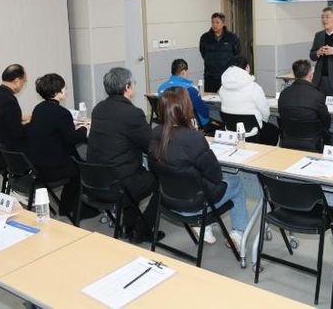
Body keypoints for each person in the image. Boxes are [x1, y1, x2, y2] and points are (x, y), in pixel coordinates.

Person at [148, 86, 248, 248]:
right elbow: (216, 176)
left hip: (168, 200)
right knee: (235, 182)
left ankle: (205, 228)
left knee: (197, 179)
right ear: (186, 107)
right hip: (195, 204)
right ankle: (238, 232)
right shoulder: (193, 138)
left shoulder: (155, 133)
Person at [87, 67, 162, 243]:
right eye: (133, 83)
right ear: (127, 87)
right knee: (163, 181)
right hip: (119, 184)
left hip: (94, 181)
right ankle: (141, 230)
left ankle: (130, 227)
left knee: (129, 172)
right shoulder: (132, 113)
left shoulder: (98, 108)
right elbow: (150, 145)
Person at [27, 73, 88, 218]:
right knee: (81, 170)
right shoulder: (62, 113)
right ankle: (68, 208)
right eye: (64, 88)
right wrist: (84, 129)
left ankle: (67, 207)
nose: (66, 90)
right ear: (57, 91)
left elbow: (53, 130)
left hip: (36, 164)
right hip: (53, 167)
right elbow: (72, 139)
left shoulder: (38, 108)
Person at [219, 56, 279, 146]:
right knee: (274, 130)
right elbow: (265, 111)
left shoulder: (222, 88)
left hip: (230, 131)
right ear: (247, 67)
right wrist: (262, 122)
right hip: (252, 132)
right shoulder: (254, 87)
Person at [158, 58, 223, 136]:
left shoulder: (161, 87)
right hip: (191, 124)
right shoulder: (190, 89)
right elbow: (203, 111)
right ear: (183, 72)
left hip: (168, 122)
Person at [277, 59, 333, 146]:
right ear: (310, 75)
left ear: (294, 74)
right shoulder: (317, 95)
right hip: (313, 143)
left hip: (288, 141)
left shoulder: (284, 94)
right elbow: (326, 123)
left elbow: (281, 114)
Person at [0, 64, 29, 156]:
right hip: (6, 153)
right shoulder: (9, 101)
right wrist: (31, 124)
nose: (23, 84)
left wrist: (19, 118)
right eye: (24, 81)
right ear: (17, 81)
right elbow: (17, 133)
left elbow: (0, 119)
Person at [199, 12, 241, 93]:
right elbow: (203, 53)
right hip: (210, 76)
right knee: (210, 98)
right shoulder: (205, 38)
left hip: (227, 76)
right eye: (213, 22)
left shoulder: (232, 37)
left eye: (217, 22)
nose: (214, 25)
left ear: (223, 23)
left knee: (227, 97)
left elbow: (237, 53)